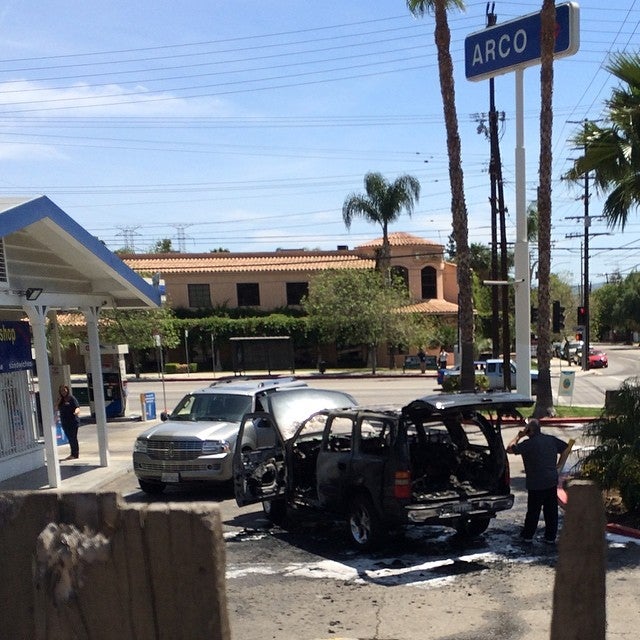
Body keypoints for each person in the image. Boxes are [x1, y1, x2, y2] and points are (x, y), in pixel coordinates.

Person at [507, 418, 569, 544]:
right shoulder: (551, 439)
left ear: (529, 430)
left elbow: (509, 449)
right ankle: (550, 537)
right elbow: (566, 448)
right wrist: (559, 465)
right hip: (551, 480)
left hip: (536, 483)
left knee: (533, 511)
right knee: (551, 510)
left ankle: (528, 535)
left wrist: (518, 436)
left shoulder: (528, 444)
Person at [57, 384, 81, 461]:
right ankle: (72, 453)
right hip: (65, 422)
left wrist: (76, 412)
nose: (63, 392)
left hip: (73, 421)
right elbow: (56, 408)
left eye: (64, 390)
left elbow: (77, 407)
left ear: (67, 390)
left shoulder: (71, 398)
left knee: (73, 437)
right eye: (61, 390)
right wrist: (59, 401)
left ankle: (75, 454)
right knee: (70, 438)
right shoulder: (61, 400)